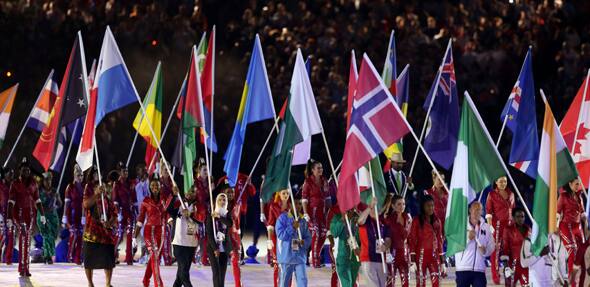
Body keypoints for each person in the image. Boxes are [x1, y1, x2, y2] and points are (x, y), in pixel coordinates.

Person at [6, 157, 45, 276]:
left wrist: (42, 214)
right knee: (23, 238)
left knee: (27, 240)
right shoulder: (15, 184)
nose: (26, 172)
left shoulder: (33, 183)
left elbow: (37, 200)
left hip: (30, 215)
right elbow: (10, 202)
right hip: (19, 214)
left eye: (28, 170)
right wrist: (9, 218)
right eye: (24, 170)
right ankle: (23, 268)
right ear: (20, 171)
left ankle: (24, 267)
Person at [82, 171, 118, 287]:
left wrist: (110, 222)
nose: (98, 176)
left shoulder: (107, 194)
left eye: (99, 174)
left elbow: (114, 213)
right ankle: (90, 283)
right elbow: (86, 204)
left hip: (106, 234)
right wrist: (97, 194)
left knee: (108, 260)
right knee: (89, 261)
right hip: (91, 233)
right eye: (96, 174)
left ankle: (108, 283)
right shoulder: (90, 191)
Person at [134, 174, 169, 287]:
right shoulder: (146, 201)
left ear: (160, 187)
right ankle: (158, 284)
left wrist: (174, 193)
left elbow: (167, 213)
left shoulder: (164, 200)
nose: (155, 187)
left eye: (157, 185)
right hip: (149, 231)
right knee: (154, 256)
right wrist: (135, 236)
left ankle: (145, 280)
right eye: (153, 185)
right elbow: (140, 219)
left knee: (155, 258)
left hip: (161, 232)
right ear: (150, 187)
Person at [275, 190, 312, 287]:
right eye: (295, 203)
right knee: (284, 283)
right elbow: (281, 235)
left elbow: (308, 237)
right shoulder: (282, 218)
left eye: (299, 203)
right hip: (286, 257)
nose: (298, 206)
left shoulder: (303, 221)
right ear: (290, 205)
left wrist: (305, 242)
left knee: (303, 282)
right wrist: (292, 227)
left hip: (300, 257)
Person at [455, 201, 495, 287]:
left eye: (479, 209)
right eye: (475, 209)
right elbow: (454, 244)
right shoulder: (461, 225)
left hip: (479, 270)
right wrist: (467, 238)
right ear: (470, 210)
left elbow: (492, 245)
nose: (477, 211)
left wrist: (486, 251)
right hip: (463, 268)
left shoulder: (486, 227)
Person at [486, 176, 515, 284]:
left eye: (505, 181)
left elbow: (513, 210)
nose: (503, 183)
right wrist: (490, 226)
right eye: (501, 181)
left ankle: (509, 272)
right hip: (497, 225)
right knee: (496, 250)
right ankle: (495, 274)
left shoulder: (511, 194)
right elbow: (488, 212)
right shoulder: (492, 194)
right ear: (496, 182)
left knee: (510, 250)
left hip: (509, 225)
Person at [409, 195, 444, 287]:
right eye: (428, 205)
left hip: (434, 256)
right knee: (420, 283)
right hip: (421, 256)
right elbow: (412, 240)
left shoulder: (437, 221)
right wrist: (412, 261)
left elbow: (440, 241)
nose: (431, 208)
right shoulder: (416, 220)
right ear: (423, 206)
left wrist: (442, 262)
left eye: (432, 205)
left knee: (436, 282)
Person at [301, 159, 330, 268]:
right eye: (318, 168)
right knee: (316, 234)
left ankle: (316, 254)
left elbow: (327, 197)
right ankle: (315, 260)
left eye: (321, 168)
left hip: (322, 212)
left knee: (323, 233)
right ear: (313, 170)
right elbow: (304, 198)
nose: (320, 170)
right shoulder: (308, 182)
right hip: (312, 212)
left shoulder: (324, 180)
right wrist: (305, 213)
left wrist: (329, 211)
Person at [557, 178, 586, 286]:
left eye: (579, 184)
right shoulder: (563, 196)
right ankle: (572, 283)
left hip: (578, 227)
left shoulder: (579, 196)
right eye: (576, 184)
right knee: (573, 252)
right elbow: (557, 213)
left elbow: (582, 213)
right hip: (566, 226)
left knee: (582, 254)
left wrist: (586, 218)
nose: (578, 186)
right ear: (569, 184)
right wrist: (555, 228)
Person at [167, 183, 197, 287]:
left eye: (193, 191)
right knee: (184, 273)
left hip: (191, 244)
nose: (190, 193)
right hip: (178, 242)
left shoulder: (199, 205)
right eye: (188, 190)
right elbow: (169, 210)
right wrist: (174, 195)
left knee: (181, 273)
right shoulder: (179, 202)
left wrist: (191, 215)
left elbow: (202, 219)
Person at [217, 179, 245, 287]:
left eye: (232, 192)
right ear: (223, 192)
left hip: (234, 237)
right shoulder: (217, 206)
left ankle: (238, 284)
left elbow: (234, 222)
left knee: (235, 262)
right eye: (228, 192)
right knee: (221, 263)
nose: (231, 194)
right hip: (222, 236)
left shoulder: (237, 205)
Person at [358, 196, 390, 287]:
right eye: (373, 208)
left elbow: (388, 239)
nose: (376, 210)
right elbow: (360, 221)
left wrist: (385, 246)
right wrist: (370, 207)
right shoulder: (366, 220)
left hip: (381, 260)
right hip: (368, 260)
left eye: (377, 207)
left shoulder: (383, 222)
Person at [382, 194, 412, 287]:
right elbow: (385, 237)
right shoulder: (388, 220)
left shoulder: (408, 218)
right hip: (392, 253)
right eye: (399, 204)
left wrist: (412, 256)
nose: (402, 206)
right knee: (390, 281)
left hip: (404, 254)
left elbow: (409, 237)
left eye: (403, 204)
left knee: (405, 281)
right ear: (393, 206)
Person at [112, 162, 137, 265]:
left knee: (130, 233)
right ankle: (112, 255)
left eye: (127, 171)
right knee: (119, 234)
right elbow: (115, 200)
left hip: (130, 212)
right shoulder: (116, 184)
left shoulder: (131, 183)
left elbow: (134, 199)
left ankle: (129, 258)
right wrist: (118, 213)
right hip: (121, 212)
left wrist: (137, 212)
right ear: (119, 172)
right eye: (124, 171)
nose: (126, 172)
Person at [330, 205, 360, 287]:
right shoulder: (337, 217)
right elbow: (334, 233)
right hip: (342, 256)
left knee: (353, 283)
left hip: (355, 258)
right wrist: (342, 220)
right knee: (346, 284)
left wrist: (359, 249)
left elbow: (361, 238)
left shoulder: (358, 218)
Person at [207, 193, 233, 287]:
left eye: (224, 200)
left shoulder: (227, 214)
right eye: (220, 200)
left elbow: (230, 224)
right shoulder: (211, 215)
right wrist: (215, 249)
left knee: (222, 273)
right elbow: (209, 233)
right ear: (216, 201)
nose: (222, 202)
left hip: (224, 247)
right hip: (213, 248)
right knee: (216, 273)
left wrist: (219, 217)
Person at [501, 207, 530, 286]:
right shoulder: (508, 229)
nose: (520, 219)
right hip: (512, 265)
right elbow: (505, 248)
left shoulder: (529, 230)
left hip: (525, 266)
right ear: (513, 218)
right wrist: (506, 267)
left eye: (522, 216)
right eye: (518, 216)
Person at [267, 190, 290, 287]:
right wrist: (269, 240)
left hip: (289, 239)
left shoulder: (292, 205)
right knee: (277, 265)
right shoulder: (273, 206)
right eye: (283, 193)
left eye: (287, 193)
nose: (285, 195)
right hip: (277, 239)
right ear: (279, 194)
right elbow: (271, 225)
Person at [37, 172, 61, 264]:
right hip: (43, 216)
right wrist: (45, 209)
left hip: (53, 217)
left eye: (50, 179)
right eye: (46, 179)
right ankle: (48, 256)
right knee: (47, 236)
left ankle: (46, 254)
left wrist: (56, 201)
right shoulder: (39, 192)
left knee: (53, 236)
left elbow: (60, 204)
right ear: (43, 181)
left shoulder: (55, 191)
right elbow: (36, 205)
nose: (48, 181)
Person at [63, 164, 85, 264]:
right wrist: (64, 216)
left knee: (81, 235)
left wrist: (85, 216)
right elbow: (66, 203)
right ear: (74, 175)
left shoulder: (84, 187)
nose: (80, 177)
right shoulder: (70, 187)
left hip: (81, 215)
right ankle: (69, 256)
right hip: (72, 214)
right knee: (74, 234)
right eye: (78, 175)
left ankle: (78, 257)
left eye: (81, 175)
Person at [195, 158, 213, 266]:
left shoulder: (210, 182)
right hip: (197, 214)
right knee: (198, 236)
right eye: (204, 170)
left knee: (207, 236)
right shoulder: (195, 182)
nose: (206, 172)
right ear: (199, 171)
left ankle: (204, 258)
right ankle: (195, 256)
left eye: (207, 170)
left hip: (208, 213)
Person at [134, 164, 150, 264]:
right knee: (143, 235)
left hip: (148, 213)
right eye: (140, 172)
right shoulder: (137, 185)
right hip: (140, 213)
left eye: (143, 172)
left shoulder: (147, 184)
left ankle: (148, 255)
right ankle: (144, 255)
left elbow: (148, 196)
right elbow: (139, 200)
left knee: (146, 235)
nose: (142, 174)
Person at [160, 165, 174, 266]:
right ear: (161, 170)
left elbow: (174, 197)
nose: (167, 171)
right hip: (161, 212)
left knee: (168, 234)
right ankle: (166, 259)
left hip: (170, 211)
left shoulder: (171, 181)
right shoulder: (159, 182)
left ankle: (168, 256)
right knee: (164, 234)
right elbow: (161, 200)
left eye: (169, 169)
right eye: (166, 169)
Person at [1, 167, 14, 264]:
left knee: (11, 238)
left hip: (11, 216)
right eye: (9, 173)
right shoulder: (0, 185)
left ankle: (8, 260)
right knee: (2, 238)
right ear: (4, 174)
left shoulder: (14, 186)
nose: (11, 176)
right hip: (2, 215)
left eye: (12, 174)